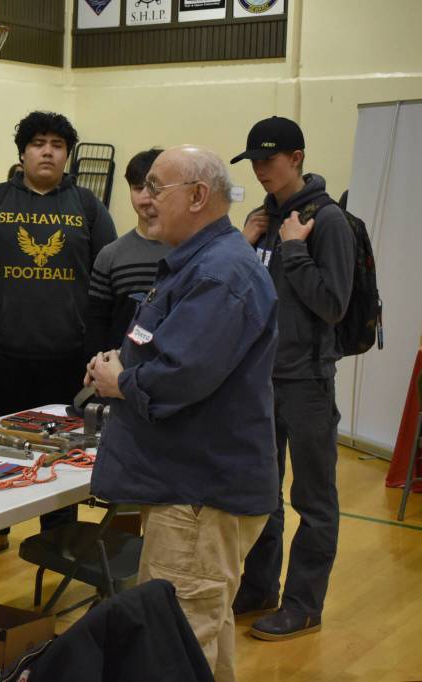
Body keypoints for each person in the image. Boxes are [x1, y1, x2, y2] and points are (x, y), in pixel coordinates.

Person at [87, 145, 278, 682]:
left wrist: (119, 381)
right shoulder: (199, 264)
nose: (144, 200)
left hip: (200, 497)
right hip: (192, 489)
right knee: (204, 639)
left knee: (174, 644)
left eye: (156, 187)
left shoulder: (221, 274)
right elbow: (168, 350)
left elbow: (181, 376)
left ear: (198, 196)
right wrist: (122, 363)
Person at [0, 110, 117, 565]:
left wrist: (96, 348)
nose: (48, 151)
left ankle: (60, 534)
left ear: (67, 155)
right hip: (0, 355)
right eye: (38, 143)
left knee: (63, 451)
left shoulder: (88, 207)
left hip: (67, 356)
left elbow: (106, 280)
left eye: (57, 145)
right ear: (23, 152)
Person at [230, 116, 355, 641]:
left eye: (270, 159)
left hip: (306, 381)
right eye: (255, 161)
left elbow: (332, 304)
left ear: (297, 158)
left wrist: (295, 248)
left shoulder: (326, 223)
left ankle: (304, 604)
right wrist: (245, 244)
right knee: (261, 492)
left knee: (314, 499)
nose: (261, 169)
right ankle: (260, 588)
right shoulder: (265, 218)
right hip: (262, 379)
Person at [84, 148, 172, 360]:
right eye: (138, 188)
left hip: (176, 377)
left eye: (154, 189)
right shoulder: (111, 255)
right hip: (120, 376)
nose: (145, 199)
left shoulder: (193, 251)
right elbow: (97, 325)